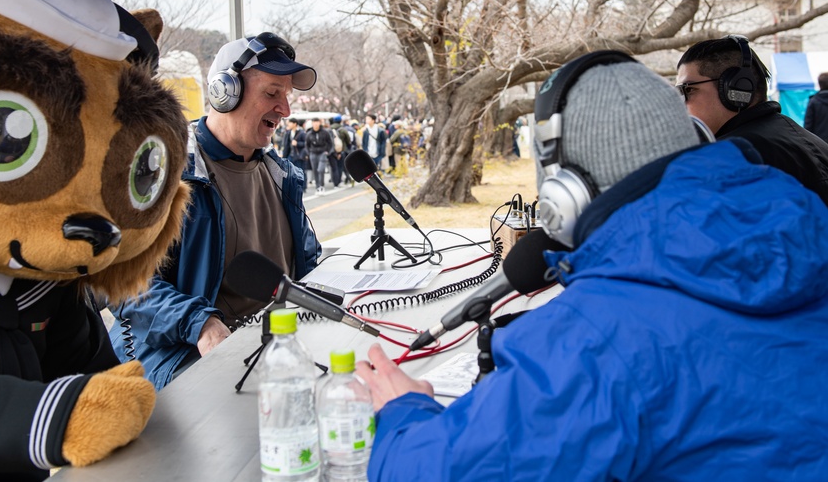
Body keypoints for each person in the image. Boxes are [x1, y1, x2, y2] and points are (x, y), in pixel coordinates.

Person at [355, 51, 828, 482]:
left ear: (566, 194)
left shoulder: (603, 336)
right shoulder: (808, 224)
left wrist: (404, 412)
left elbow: (429, 472)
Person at [110, 33, 322, 388]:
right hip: (187, 356)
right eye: (272, 93)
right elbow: (121, 284)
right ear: (225, 92)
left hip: (275, 348)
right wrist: (200, 324)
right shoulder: (164, 170)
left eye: (286, 96)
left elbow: (308, 264)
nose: (285, 110)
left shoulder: (282, 176)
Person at [676, 35, 828, 205]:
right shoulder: (811, 142)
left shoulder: (733, 157)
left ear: (734, 88)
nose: (682, 102)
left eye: (687, 90)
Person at [305, 116, 334, 193]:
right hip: (313, 153)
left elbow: (330, 143)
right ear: (312, 123)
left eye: (317, 122)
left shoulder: (325, 132)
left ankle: (321, 185)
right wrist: (308, 153)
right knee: (315, 170)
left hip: (323, 152)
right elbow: (307, 144)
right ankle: (318, 186)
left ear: (319, 123)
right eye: (314, 122)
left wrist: (328, 151)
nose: (315, 124)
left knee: (321, 169)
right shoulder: (309, 133)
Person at [279, 117, 308, 192]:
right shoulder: (288, 133)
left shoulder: (301, 132)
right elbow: (286, 145)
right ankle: (293, 186)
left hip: (299, 156)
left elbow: (306, 144)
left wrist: (297, 143)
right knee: (290, 172)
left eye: (290, 122)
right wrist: (284, 157)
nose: (288, 124)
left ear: (295, 124)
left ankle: (303, 187)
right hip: (290, 155)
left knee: (300, 171)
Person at [804, 72, 828, 142]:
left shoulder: (813, 101)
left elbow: (808, 126)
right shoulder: (813, 101)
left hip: (819, 143)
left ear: (819, 84)